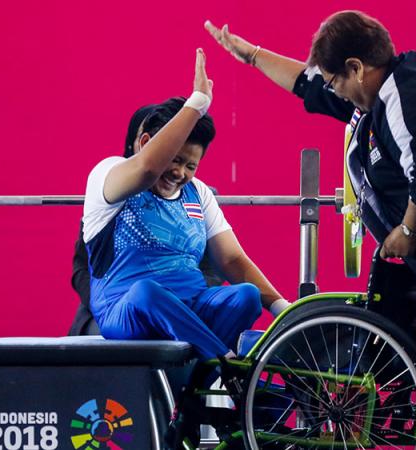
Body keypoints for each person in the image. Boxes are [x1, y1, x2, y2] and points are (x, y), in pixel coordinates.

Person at [206, 10, 416, 449]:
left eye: (335, 80)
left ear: (356, 68)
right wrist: (251, 56)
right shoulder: (375, 94)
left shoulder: (406, 94)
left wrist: (404, 232)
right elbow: (309, 88)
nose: (331, 90)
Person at [82, 49, 289, 364]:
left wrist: (281, 308)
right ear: (146, 142)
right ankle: (228, 364)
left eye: (190, 166)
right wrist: (197, 104)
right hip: (126, 310)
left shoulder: (199, 193)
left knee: (246, 295)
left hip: (192, 309)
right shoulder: (108, 173)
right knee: (146, 293)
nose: (180, 173)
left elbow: (233, 260)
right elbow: (147, 169)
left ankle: (207, 377)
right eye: (175, 160)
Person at [69, 104, 225, 336]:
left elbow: (217, 267)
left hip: (184, 309)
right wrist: (119, 305)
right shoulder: (109, 189)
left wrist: (179, 303)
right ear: (138, 143)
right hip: (114, 312)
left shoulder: (197, 195)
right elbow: (82, 268)